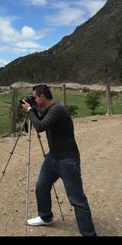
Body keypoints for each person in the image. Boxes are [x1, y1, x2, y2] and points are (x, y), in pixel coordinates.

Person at [22, 84, 93, 236]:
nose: (33, 99)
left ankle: (89, 233)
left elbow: (40, 126)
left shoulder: (58, 109)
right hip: (52, 157)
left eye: (34, 97)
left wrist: (29, 110)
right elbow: (40, 120)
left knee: (77, 200)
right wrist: (32, 110)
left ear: (42, 96)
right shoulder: (49, 110)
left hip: (68, 160)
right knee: (41, 187)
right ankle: (46, 217)